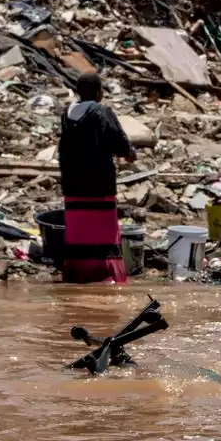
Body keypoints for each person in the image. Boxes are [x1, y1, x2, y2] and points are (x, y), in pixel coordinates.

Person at [57, 72, 136, 284]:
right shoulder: (101, 111)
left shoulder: (67, 112)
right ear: (99, 92)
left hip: (73, 185)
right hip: (99, 184)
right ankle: (106, 275)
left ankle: (76, 274)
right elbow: (117, 140)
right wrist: (129, 153)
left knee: (78, 232)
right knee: (103, 232)